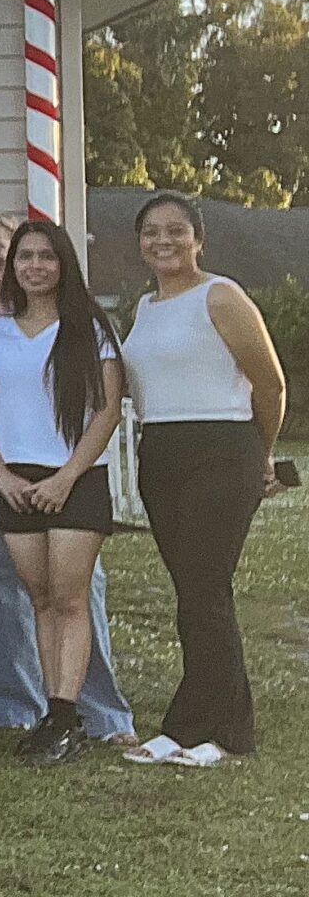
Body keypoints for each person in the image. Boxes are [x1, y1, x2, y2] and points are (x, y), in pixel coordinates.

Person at [0, 212, 135, 743]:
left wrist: (66, 477)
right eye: (25, 258)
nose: (34, 266)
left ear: (63, 264)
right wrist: (0, 474)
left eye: (45, 256)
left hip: (76, 478)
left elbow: (107, 410)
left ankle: (67, 713)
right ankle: (54, 713)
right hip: (14, 481)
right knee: (39, 599)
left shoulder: (90, 328)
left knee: (72, 597)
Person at [119, 192, 288, 765]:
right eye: (150, 232)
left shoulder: (222, 295)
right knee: (195, 594)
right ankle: (205, 724)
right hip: (161, 452)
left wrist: (259, 456)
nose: (162, 241)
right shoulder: (143, 308)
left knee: (205, 592)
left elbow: (272, 385)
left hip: (224, 449)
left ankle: (214, 730)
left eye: (175, 231)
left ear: (199, 239)